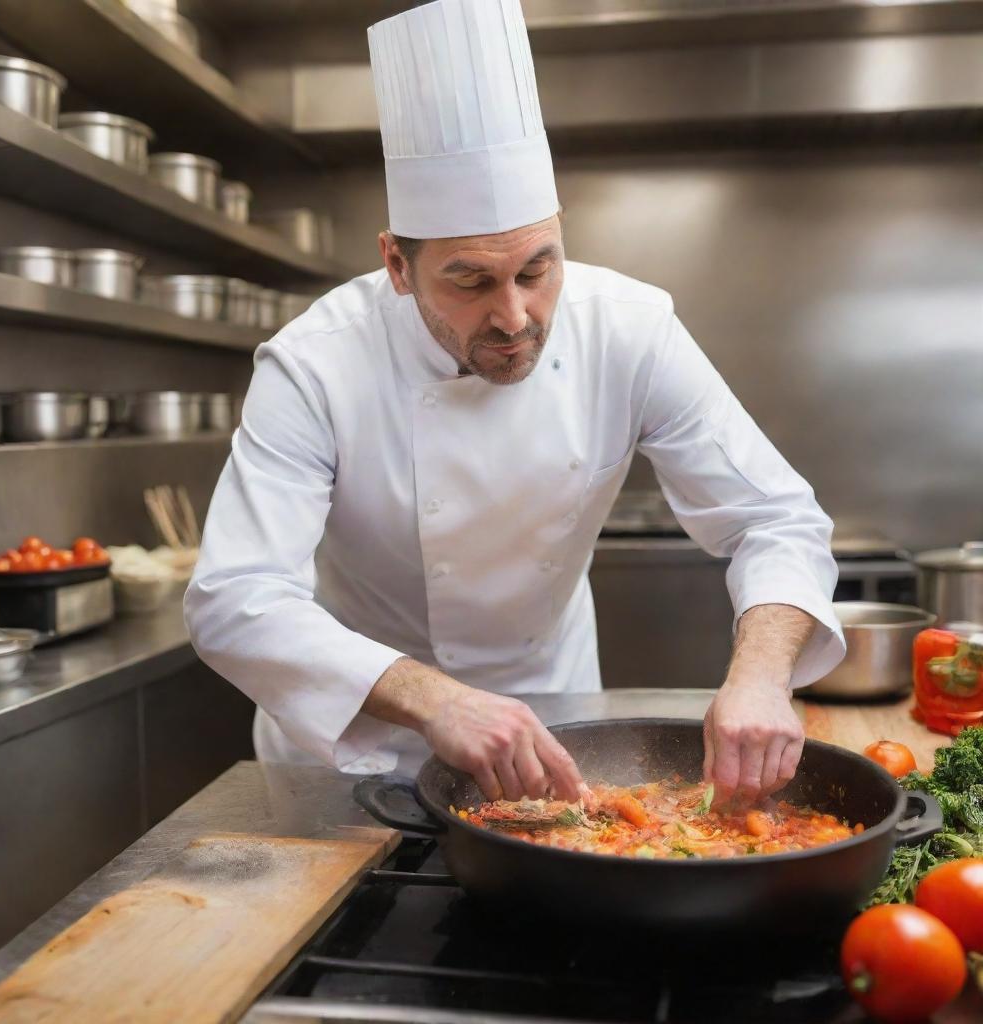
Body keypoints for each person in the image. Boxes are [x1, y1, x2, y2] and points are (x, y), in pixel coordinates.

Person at [185, 0, 844, 807]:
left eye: (537, 269)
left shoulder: (630, 330)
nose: (515, 316)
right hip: (356, 750)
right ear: (396, 264)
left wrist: (761, 677)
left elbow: (774, 519)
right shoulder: (315, 364)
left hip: (556, 735)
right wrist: (438, 701)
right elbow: (235, 598)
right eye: (469, 280)